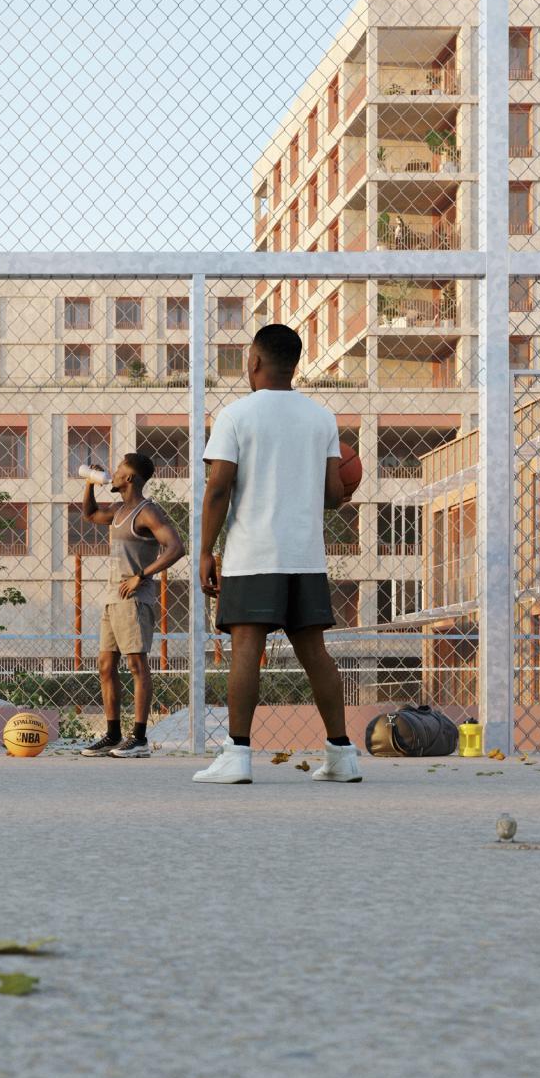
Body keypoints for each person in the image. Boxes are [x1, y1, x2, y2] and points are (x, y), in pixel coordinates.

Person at [191, 323, 362, 786]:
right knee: (316, 654)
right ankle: (342, 755)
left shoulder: (236, 416)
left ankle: (238, 755)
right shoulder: (320, 418)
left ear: (255, 361)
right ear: (296, 364)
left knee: (247, 648)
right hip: (305, 555)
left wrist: (205, 551)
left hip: (254, 552)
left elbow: (218, 488)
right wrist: (344, 491)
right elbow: (332, 494)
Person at [78, 451, 184, 754]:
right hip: (113, 598)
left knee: (137, 664)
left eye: (119, 469)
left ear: (130, 477)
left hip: (135, 598)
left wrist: (142, 575)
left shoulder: (147, 512)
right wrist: (88, 484)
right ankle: (112, 735)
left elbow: (176, 547)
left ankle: (139, 738)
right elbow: (90, 514)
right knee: (105, 665)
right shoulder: (119, 509)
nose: (114, 472)